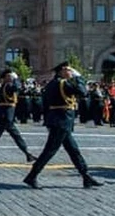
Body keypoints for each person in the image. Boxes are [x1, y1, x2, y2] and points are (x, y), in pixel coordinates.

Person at [23, 61, 102, 189]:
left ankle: (86, 176)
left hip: (58, 120)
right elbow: (83, 92)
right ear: (62, 70)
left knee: (73, 150)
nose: (71, 72)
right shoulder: (63, 83)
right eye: (69, 70)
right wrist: (79, 77)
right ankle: (31, 176)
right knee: (50, 151)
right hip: (62, 120)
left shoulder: (52, 84)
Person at [0, 68, 36, 163]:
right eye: (10, 76)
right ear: (5, 77)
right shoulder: (8, 86)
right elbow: (16, 88)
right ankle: (28, 154)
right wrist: (16, 79)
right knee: (16, 136)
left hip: (5, 115)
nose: (12, 77)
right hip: (6, 116)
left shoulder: (6, 85)